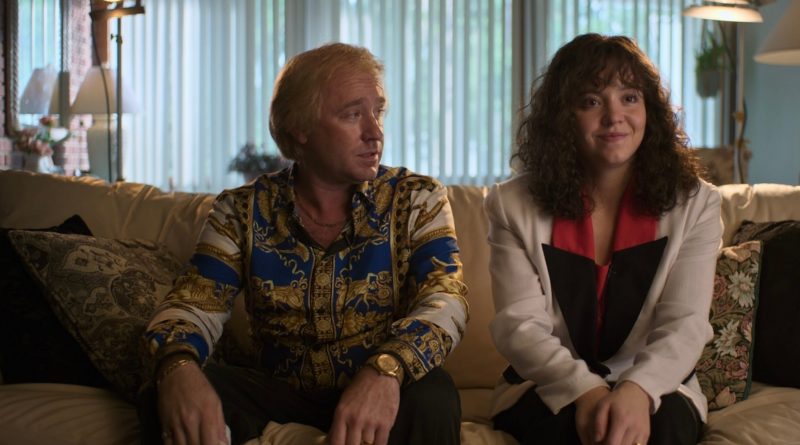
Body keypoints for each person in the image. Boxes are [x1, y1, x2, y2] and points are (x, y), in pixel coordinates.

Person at [137, 42, 469, 445]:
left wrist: (387, 368)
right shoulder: (240, 210)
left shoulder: (417, 197)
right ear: (301, 127)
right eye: (353, 115)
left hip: (383, 382)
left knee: (435, 395)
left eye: (378, 112)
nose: (375, 132)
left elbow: (446, 299)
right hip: (278, 393)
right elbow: (194, 302)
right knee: (165, 392)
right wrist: (177, 367)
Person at [485, 33, 722, 445]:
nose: (614, 117)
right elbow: (520, 327)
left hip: (657, 384)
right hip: (549, 383)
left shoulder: (697, 203)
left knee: (662, 430)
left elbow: (685, 324)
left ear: (650, 110)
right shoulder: (510, 205)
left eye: (629, 97)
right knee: (575, 430)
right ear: (563, 117)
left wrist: (638, 389)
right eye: (592, 101)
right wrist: (587, 391)